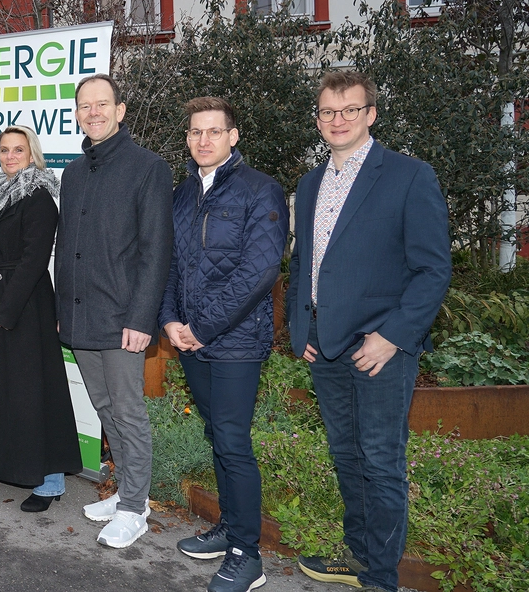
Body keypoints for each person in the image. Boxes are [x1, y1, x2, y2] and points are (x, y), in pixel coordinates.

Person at [287, 71, 450, 592]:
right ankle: (359, 556)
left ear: (371, 114)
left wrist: (393, 336)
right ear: (318, 119)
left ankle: (381, 578)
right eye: (328, 112)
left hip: (380, 350)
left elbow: (433, 270)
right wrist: (300, 328)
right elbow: (305, 264)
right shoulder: (311, 182)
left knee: (381, 462)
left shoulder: (409, 176)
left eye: (349, 110)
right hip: (325, 347)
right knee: (346, 454)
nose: (338, 121)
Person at [158, 97, 288, 592]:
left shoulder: (261, 191)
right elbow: (170, 264)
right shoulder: (184, 193)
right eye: (195, 133)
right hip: (190, 340)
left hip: (234, 342)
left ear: (234, 137)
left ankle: (246, 555)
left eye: (214, 131)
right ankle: (229, 529)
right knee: (217, 434)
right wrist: (169, 320)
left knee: (233, 442)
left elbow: (259, 273)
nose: (203, 140)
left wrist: (202, 327)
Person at [55, 74, 173, 548]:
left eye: (102, 104)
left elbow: (156, 250)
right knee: (105, 408)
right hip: (81, 315)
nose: (93, 113)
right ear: (77, 114)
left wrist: (142, 318)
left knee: (127, 412)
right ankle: (129, 492)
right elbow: (68, 248)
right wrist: (63, 308)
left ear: (121, 110)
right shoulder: (74, 172)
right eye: (85, 106)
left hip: (124, 318)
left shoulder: (148, 168)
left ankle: (133, 510)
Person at [0, 125, 82, 512]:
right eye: (4, 150)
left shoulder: (39, 198)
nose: (10, 156)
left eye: (18, 149)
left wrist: (7, 310)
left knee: (32, 392)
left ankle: (49, 483)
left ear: (32, 153)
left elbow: (33, 261)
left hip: (25, 304)